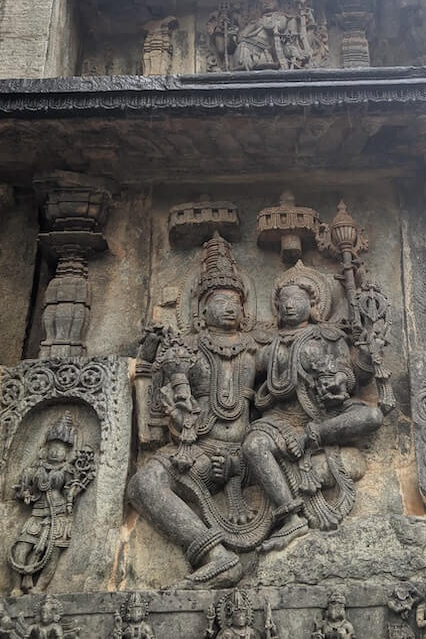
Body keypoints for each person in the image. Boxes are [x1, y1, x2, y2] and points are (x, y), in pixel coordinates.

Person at [128, 234, 267, 587]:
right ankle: (215, 557)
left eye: (236, 301)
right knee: (144, 483)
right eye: (220, 300)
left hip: (245, 456)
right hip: (195, 451)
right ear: (200, 310)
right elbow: (152, 381)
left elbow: (291, 390)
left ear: (246, 308)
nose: (229, 307)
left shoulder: (258, 348)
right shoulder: (186, 347)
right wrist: (151, 346)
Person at [243, 261, 382, 551]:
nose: (289, 306)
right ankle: (289, 515)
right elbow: (246, 374)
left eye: (297, 299)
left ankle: (311, 438)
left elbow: (350, 373)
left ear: (313, 302)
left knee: (371, 415)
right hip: (281, 417)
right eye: (283, 302)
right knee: (253, 445)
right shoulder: (267, 343)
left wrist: (341, 379)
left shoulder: (329, 337)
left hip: (325, 415)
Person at [9, 413, 95, 594]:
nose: (56, 451)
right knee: (21, 548)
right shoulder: (34, 469)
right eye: (53, 447)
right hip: (37, 514)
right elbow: (24, 488)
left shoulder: (68, 470)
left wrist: (73, 491)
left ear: (67, 452)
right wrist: (25, 493)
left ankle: (39, 587)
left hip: (59, 514)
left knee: (52, 553)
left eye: (61, 448)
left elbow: (69, 491)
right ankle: (16, 587)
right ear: (45, 449)